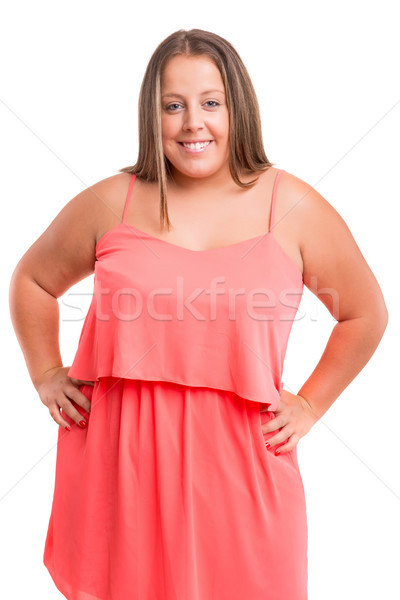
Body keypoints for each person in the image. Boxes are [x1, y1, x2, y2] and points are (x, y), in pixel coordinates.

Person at [9, 28, 388, 600]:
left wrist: (310, 404)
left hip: (243, 479)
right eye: (173, 105)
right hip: (122, 479)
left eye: (211, 103)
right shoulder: (113, 201)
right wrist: (45, 373)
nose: (193, 123)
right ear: (151, 114)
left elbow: (365, 313)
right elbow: (32, 281)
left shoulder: (293, 206)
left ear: (238, 108)